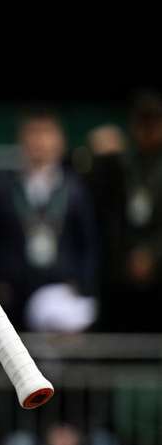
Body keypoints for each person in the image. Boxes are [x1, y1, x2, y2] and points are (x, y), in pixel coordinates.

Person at [0, 108, 99, 332]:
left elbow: (88, 243)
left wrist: (81, 285)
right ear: (21, 139)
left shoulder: (76, 190)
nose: (40, 142)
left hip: (62, 293)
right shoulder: (2, 189)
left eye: (46, 133)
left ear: (60, 141)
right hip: (13, 297)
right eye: (33, 133)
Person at [81, 90, 162, 332]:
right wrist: (95, 153)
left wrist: (153, 255)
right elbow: (93, 198)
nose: (148, 130)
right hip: (121, 269)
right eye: (142, 122)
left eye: (154, 122)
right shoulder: (120, 164)